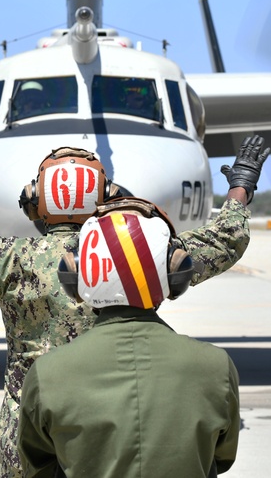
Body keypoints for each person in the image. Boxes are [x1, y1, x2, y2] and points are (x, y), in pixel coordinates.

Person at [0, 136, 269, 478]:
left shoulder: (9, 258)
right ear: (106, 197)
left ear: (35, 200)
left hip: (26, 442)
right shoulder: (139, 255)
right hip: (106, 440)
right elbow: (224, 240)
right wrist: (239, 190)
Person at [17, 197, 240, 477]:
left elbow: (37, 466)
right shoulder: (216, 366)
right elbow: (221, 457)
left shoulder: (47, 374)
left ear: (76, 276)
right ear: (173, 274)